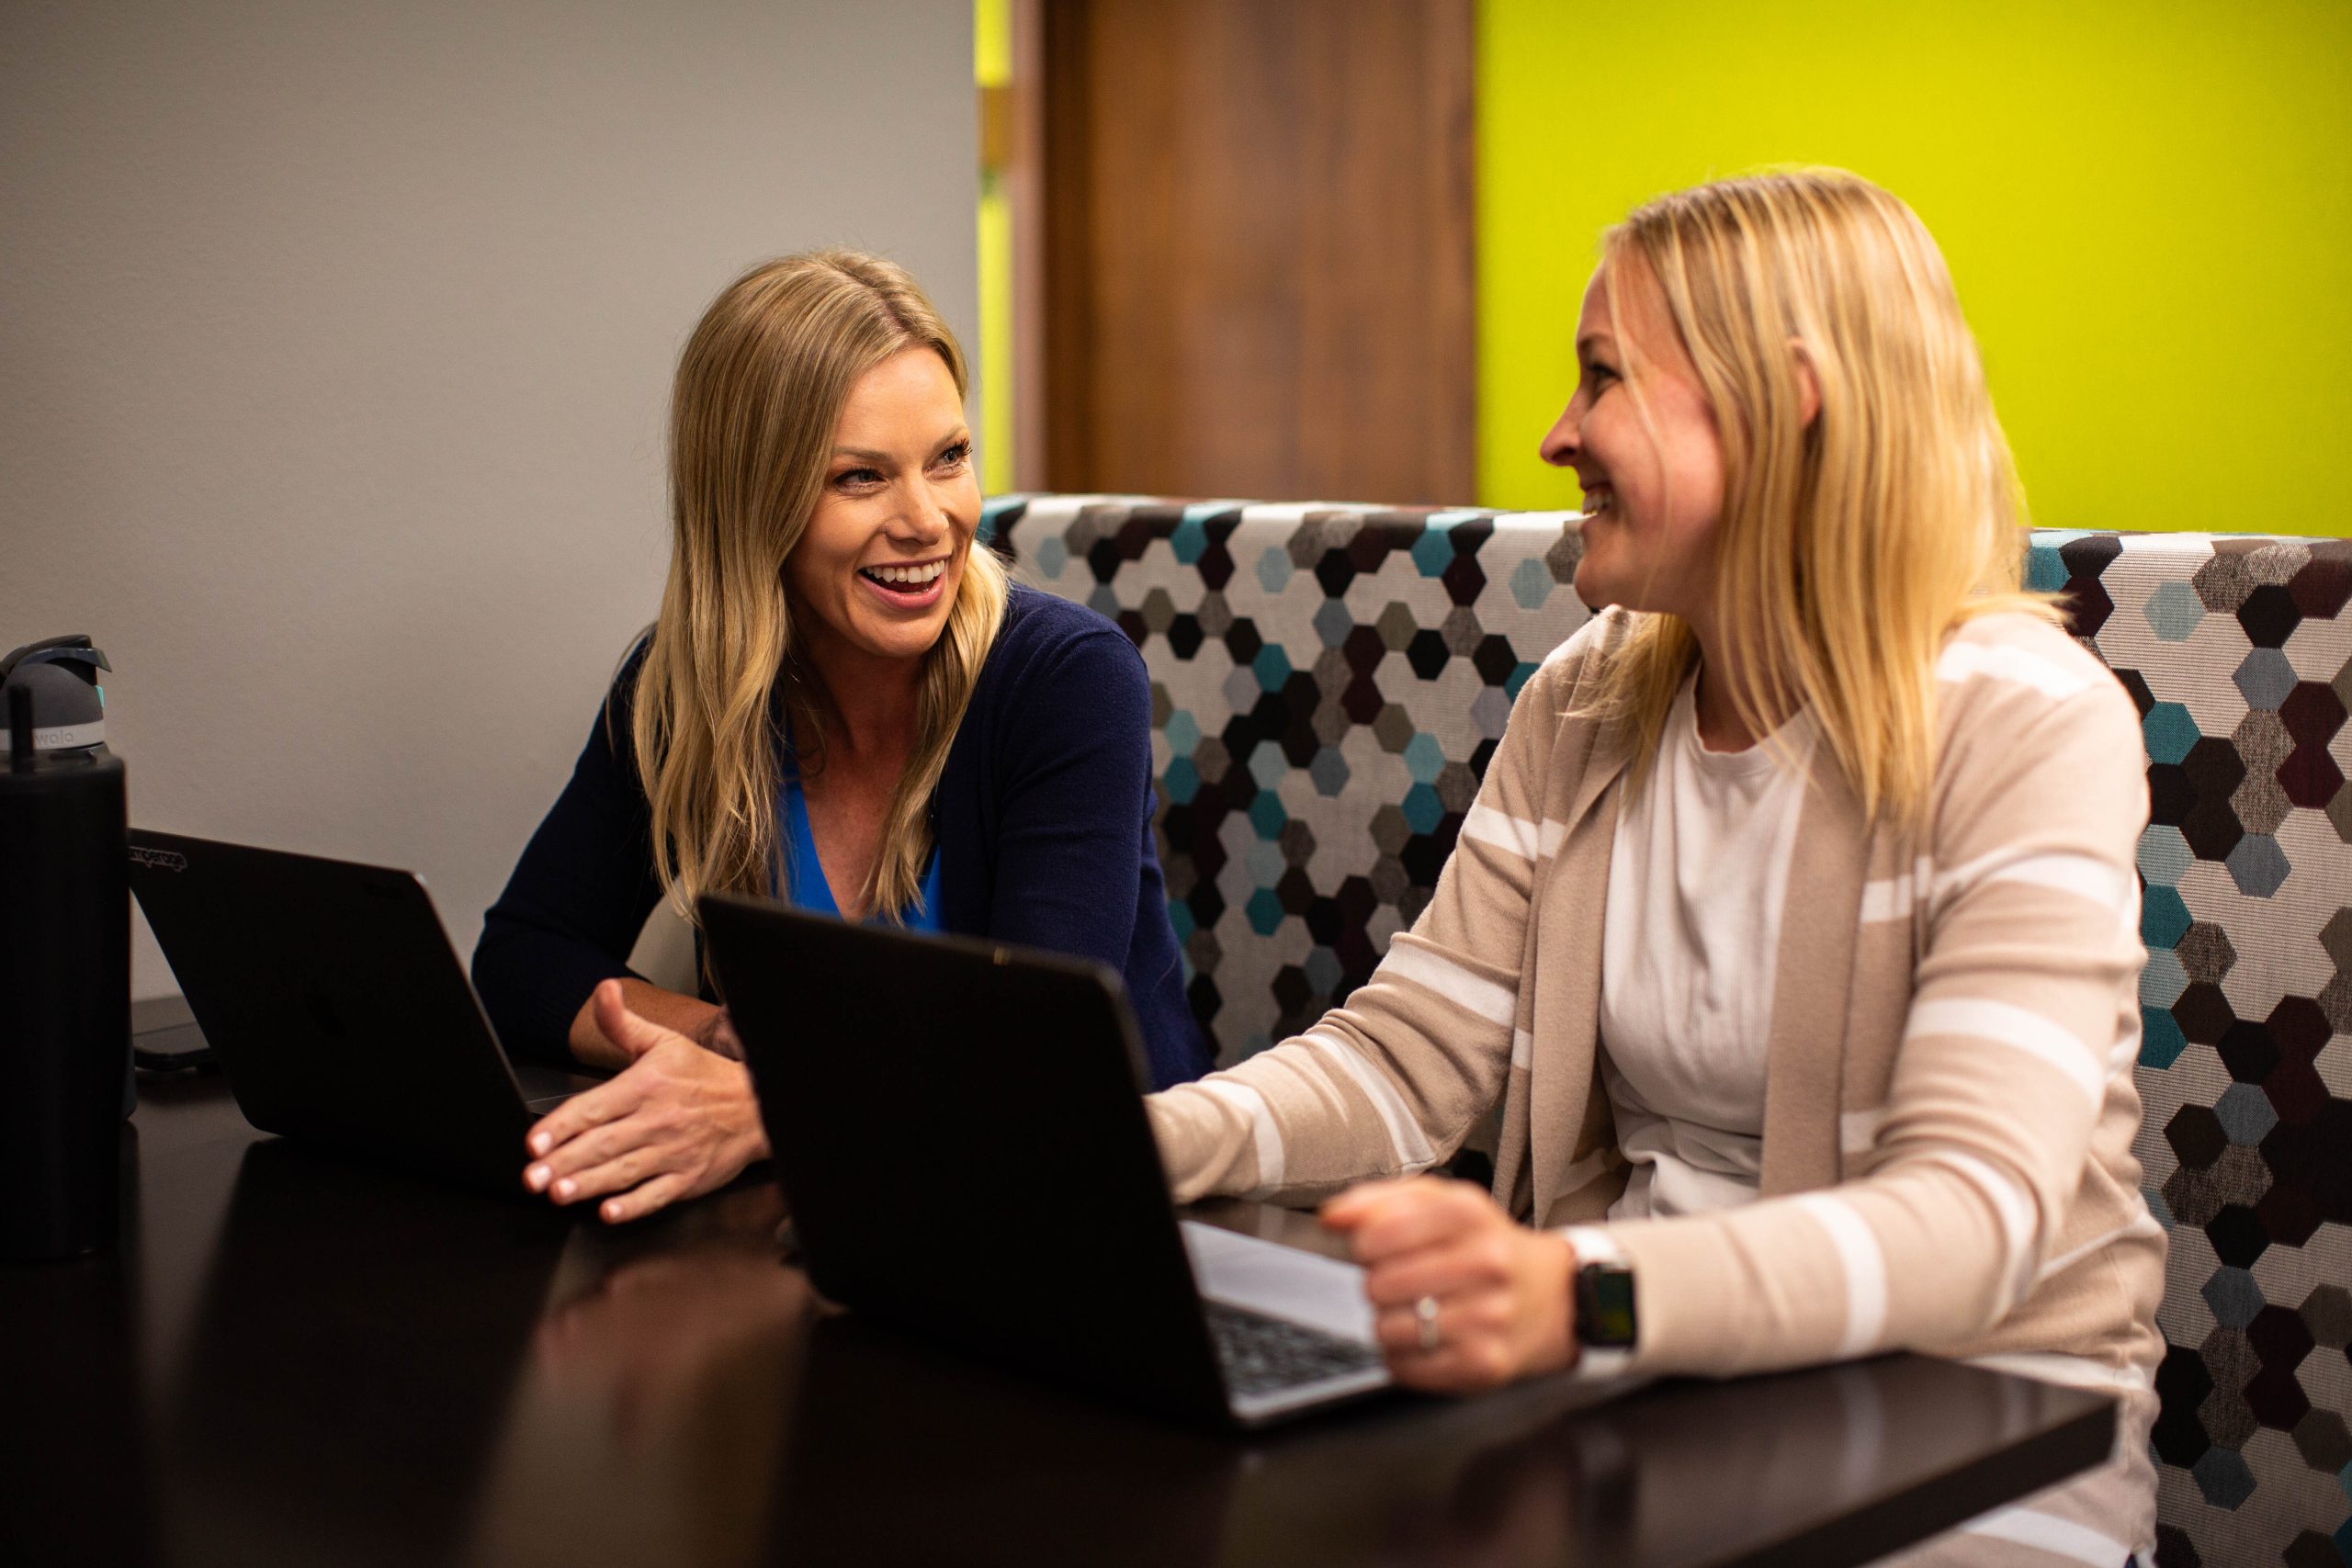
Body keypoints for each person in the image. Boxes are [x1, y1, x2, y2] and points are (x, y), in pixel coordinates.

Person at [1144, 171, 2162, 1562]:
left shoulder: (2028, 721)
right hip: (1649, 1408)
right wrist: (1135, 1144)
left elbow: (1971, 1218)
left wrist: (1581, 1292)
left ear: (1785, 400)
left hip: (1976, 1449)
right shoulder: (1589, 697)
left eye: (1602, 376)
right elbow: (1409, 1057)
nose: (1557, 433)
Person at [473, 250, 1210, 1224]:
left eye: (947, 459)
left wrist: (778, 1102)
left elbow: (1036, 1047)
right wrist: (728, 1039)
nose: (929, 522)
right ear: (754, 505)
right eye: (860, 478)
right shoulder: (683, 684)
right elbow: (525, 957)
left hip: (1105, 1214)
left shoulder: (1067, 679)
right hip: (843, 1222)